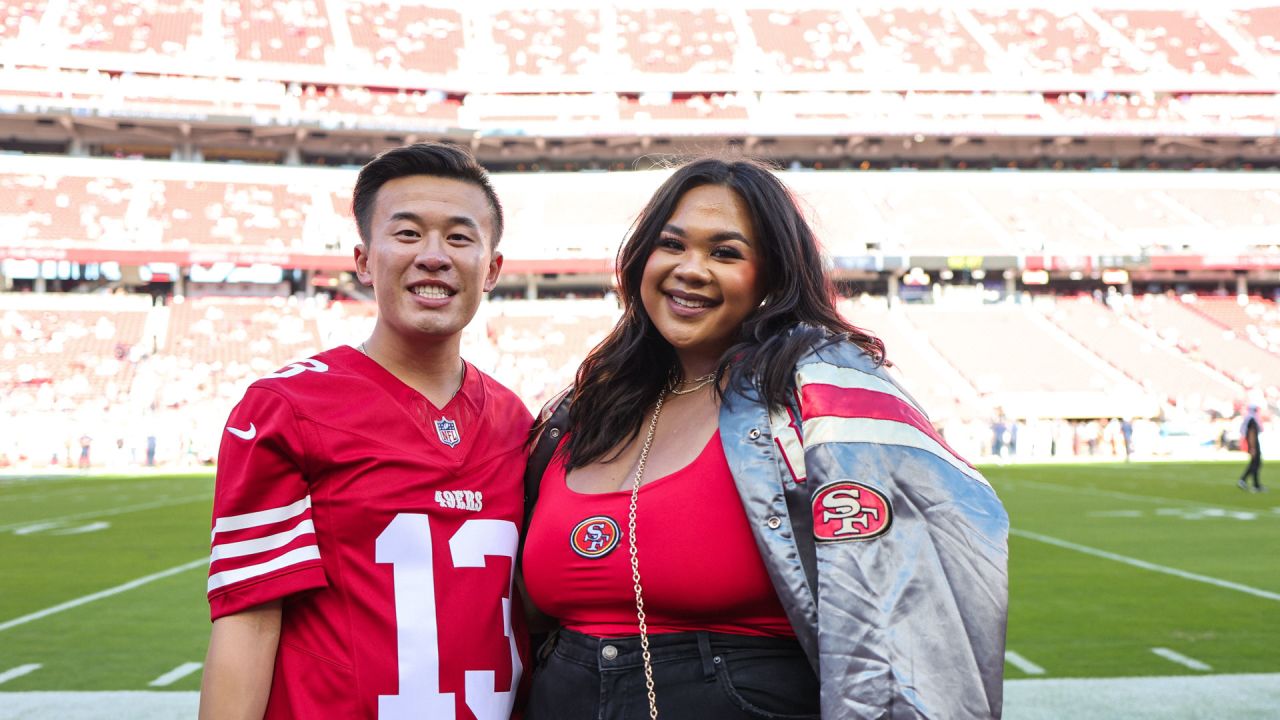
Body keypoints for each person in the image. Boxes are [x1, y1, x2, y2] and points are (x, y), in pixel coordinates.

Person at [521, 158, 1009, 719]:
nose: (691, 268)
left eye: (725, 253)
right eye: (672, 244)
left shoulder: (822, 397)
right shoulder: (581, 410)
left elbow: (917, 601)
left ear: (772, 277)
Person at [199, 143, 531, 719]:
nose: (434, 256)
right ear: (363, 259)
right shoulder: (285, 408)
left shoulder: (518, 422)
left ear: (493, 268)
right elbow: (247, 624)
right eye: (407, 234)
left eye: (459, 237)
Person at [1239, 404, 1264, 492]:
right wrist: (1253, 447)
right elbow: (1251, 434)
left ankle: (1244, 480)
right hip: (1253, 444)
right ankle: (1255, 485)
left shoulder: (1249, 418)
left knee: (1254, 463)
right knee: (1256, 463)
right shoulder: (1252, 419)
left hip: (1251, 444)